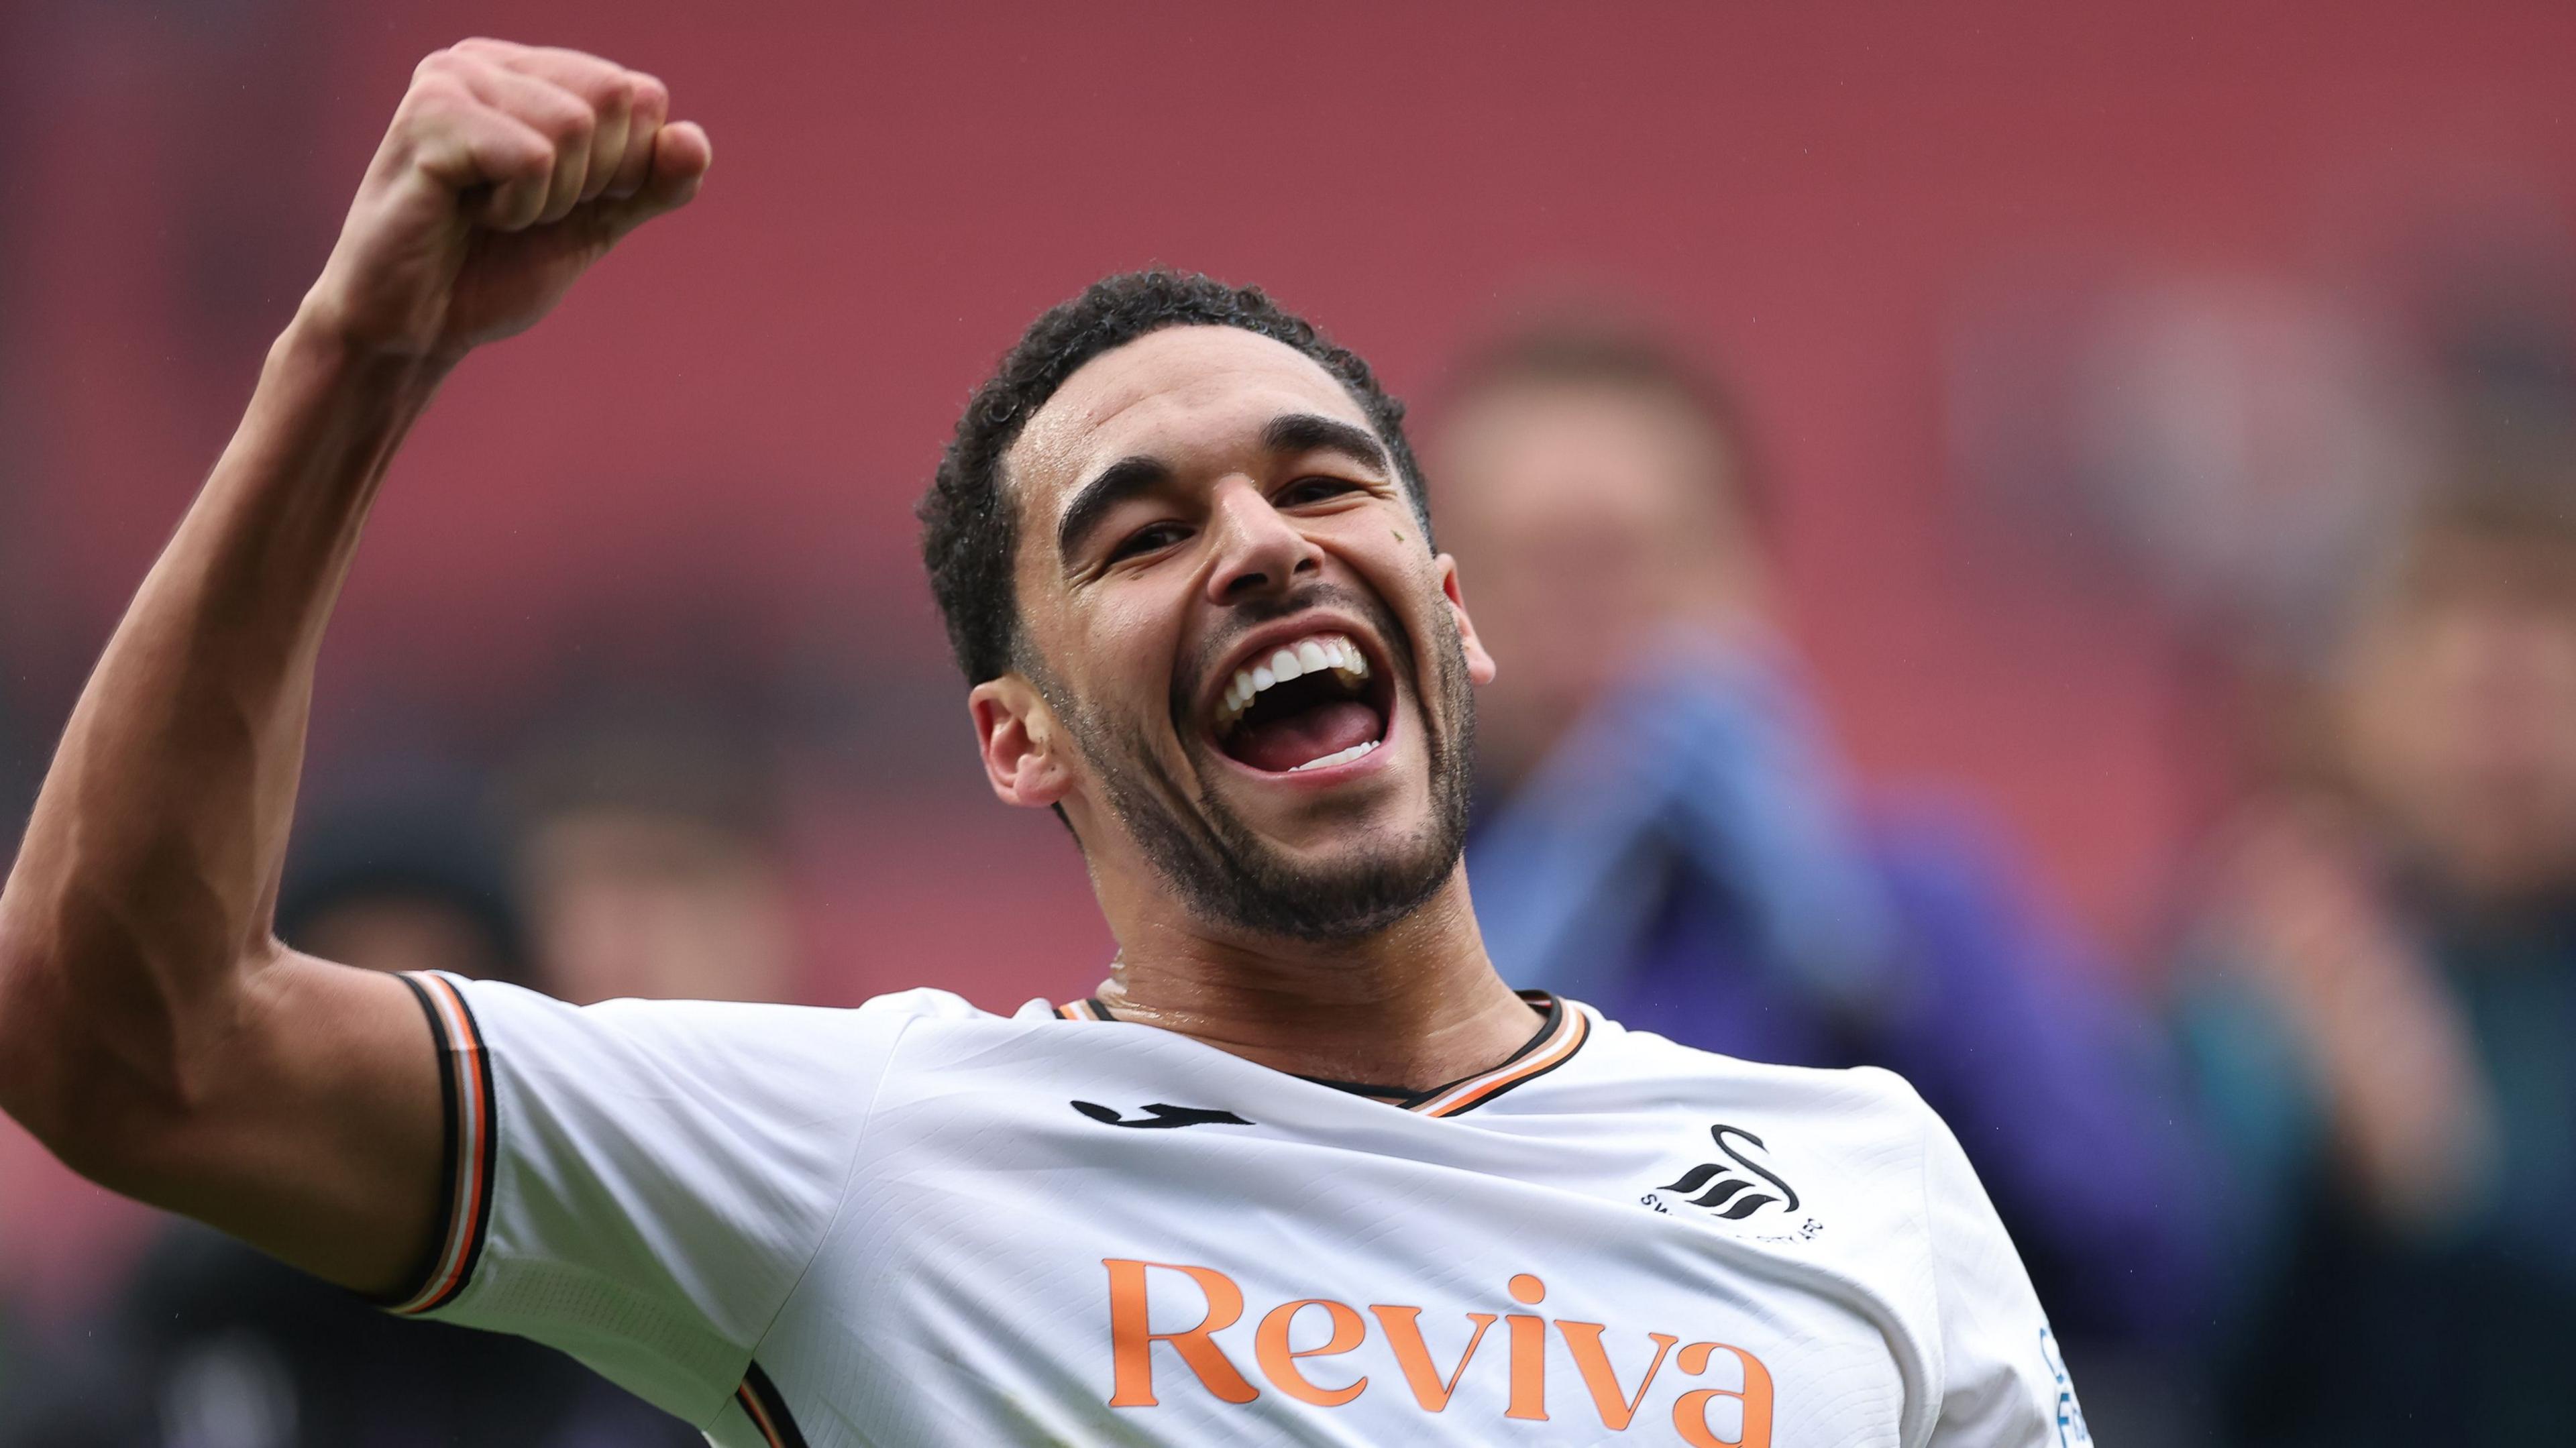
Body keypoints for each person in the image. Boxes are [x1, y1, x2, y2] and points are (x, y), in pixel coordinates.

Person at [0, 40, 2082, 1445]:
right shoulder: (851, 1156)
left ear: (1448, 618)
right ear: (1018, 738)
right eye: (1141, 529)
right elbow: (129, 1037)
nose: (1260, 544)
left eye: (1322, 483)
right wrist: (358, 354)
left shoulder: (1861, 1173)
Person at [1428, 321, 2210, 1347]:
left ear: (1744, 578)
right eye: (1527, 564)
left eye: (1627, 559)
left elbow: (2143, 1257)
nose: (1581, 617)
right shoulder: (1361, 920)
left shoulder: (1919, 894)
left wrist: (1877, 983)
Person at [0, 791, 702, 1447]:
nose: (390, 1055)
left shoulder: (645, 1350)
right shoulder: (177, 1350)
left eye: (440, 994)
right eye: (344, 988)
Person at [2172, 474, 2576, 1446]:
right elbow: (2167, 1338)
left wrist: (2438, 1187)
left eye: (2548, 610)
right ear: (2344, 698)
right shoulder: (2256, 980)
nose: (2495, 677)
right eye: (2441, 608)